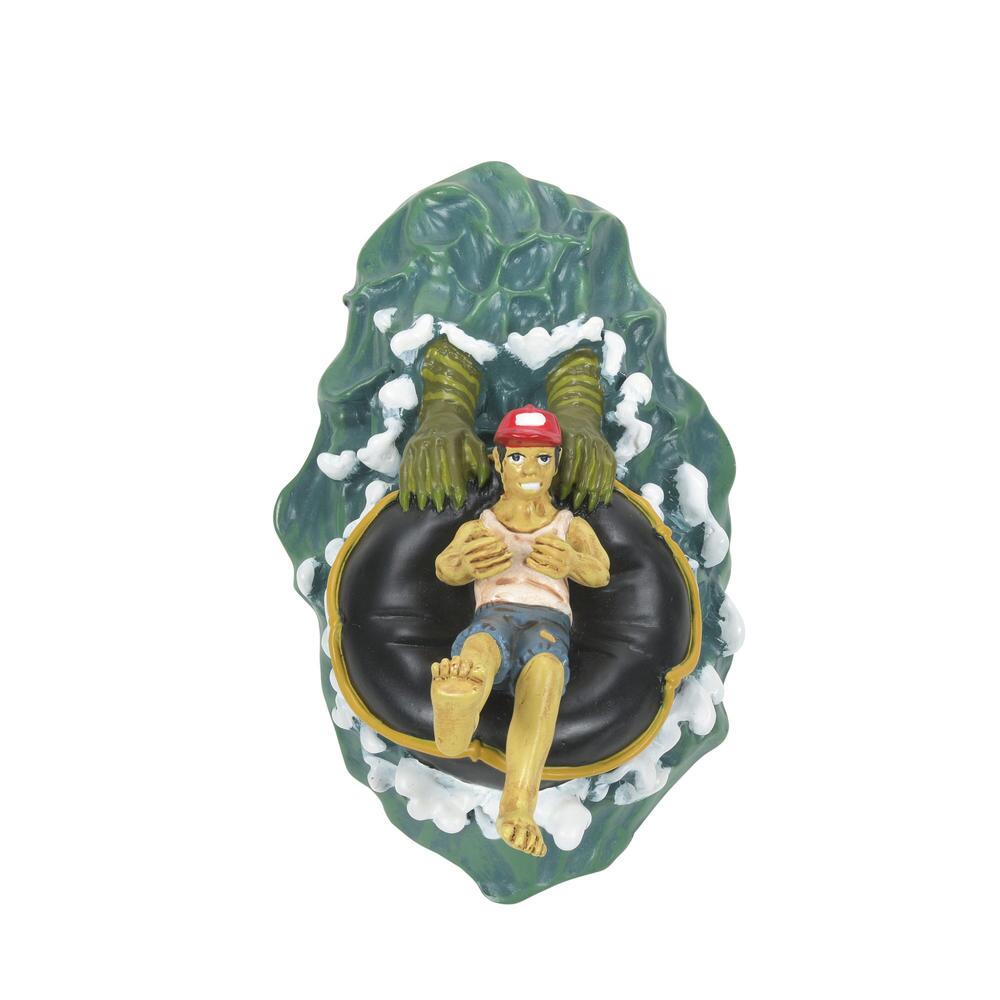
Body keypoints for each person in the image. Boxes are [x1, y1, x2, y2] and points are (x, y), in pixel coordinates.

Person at [431, 405, 611, 857]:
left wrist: (572, 562)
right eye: (517, 457)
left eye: (542, 458)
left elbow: (601, 572)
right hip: (493, 615)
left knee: (545, 674)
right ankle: (456, 714)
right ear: (498, 460)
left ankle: (517, 806)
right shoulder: (482, 525)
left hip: (548, 625)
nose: (530, 469)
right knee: (478, 650)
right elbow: (445, 567)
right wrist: (465, 563)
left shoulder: (570, 526)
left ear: (557, 463)